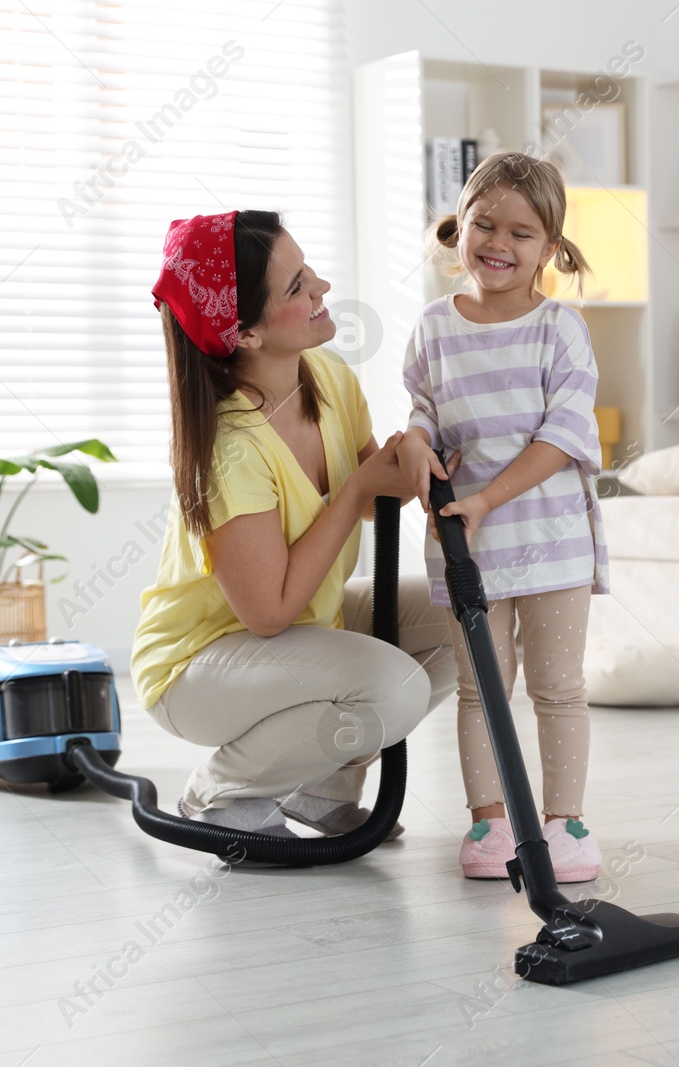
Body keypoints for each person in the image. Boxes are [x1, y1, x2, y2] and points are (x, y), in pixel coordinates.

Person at [131, 209, 456, 844]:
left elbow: (370, 497)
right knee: (393, 687)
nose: (322, 288)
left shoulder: (329, 377)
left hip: (304, 632)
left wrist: (412, 448)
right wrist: (362, 485)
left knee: (474, 620)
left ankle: (322, 789)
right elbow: (270, 613)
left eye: (307, 269)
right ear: (245, 334)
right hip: (199, 666)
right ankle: (220, 793)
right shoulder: (231, 447)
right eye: (296, 286)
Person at [396, 153, 608, 882]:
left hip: (550, 544)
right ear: (460, 228)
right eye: (484, 223)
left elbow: (563, 436)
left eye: (521, 233)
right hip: (466, 548)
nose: (499, 243)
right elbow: (421, 412)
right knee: (481, 687)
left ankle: (565, 822)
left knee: (558, 687)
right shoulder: (433, 328)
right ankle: (489, 823)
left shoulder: (559, 330)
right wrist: (418, 442)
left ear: (549, 247)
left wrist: (488, 498)